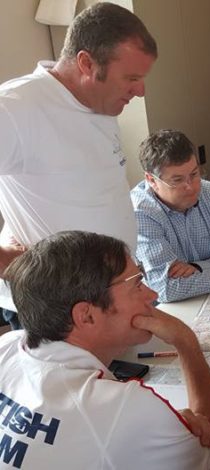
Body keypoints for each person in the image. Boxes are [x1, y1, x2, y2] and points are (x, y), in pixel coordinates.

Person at [0, 231, 210, 468]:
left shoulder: (8, 345)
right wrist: (186, 343)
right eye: (137, 284)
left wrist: (157, 428)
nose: (152, 295)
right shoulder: (125, 408)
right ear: (86, 316)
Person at [0, 2, 158, 329]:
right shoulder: (15, 108)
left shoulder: (101, 104)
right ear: (86, 63)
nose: (141, 90)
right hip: (53, 312)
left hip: (106, 301)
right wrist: (7, 260)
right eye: (131, 78)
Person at [131, 129, 210, 302]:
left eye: (194, 174)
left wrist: (198, 267)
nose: (191, 187)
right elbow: (165, 289)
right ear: (151, 180)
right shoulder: (141, 213)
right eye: (177, 180)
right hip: (167, 307)